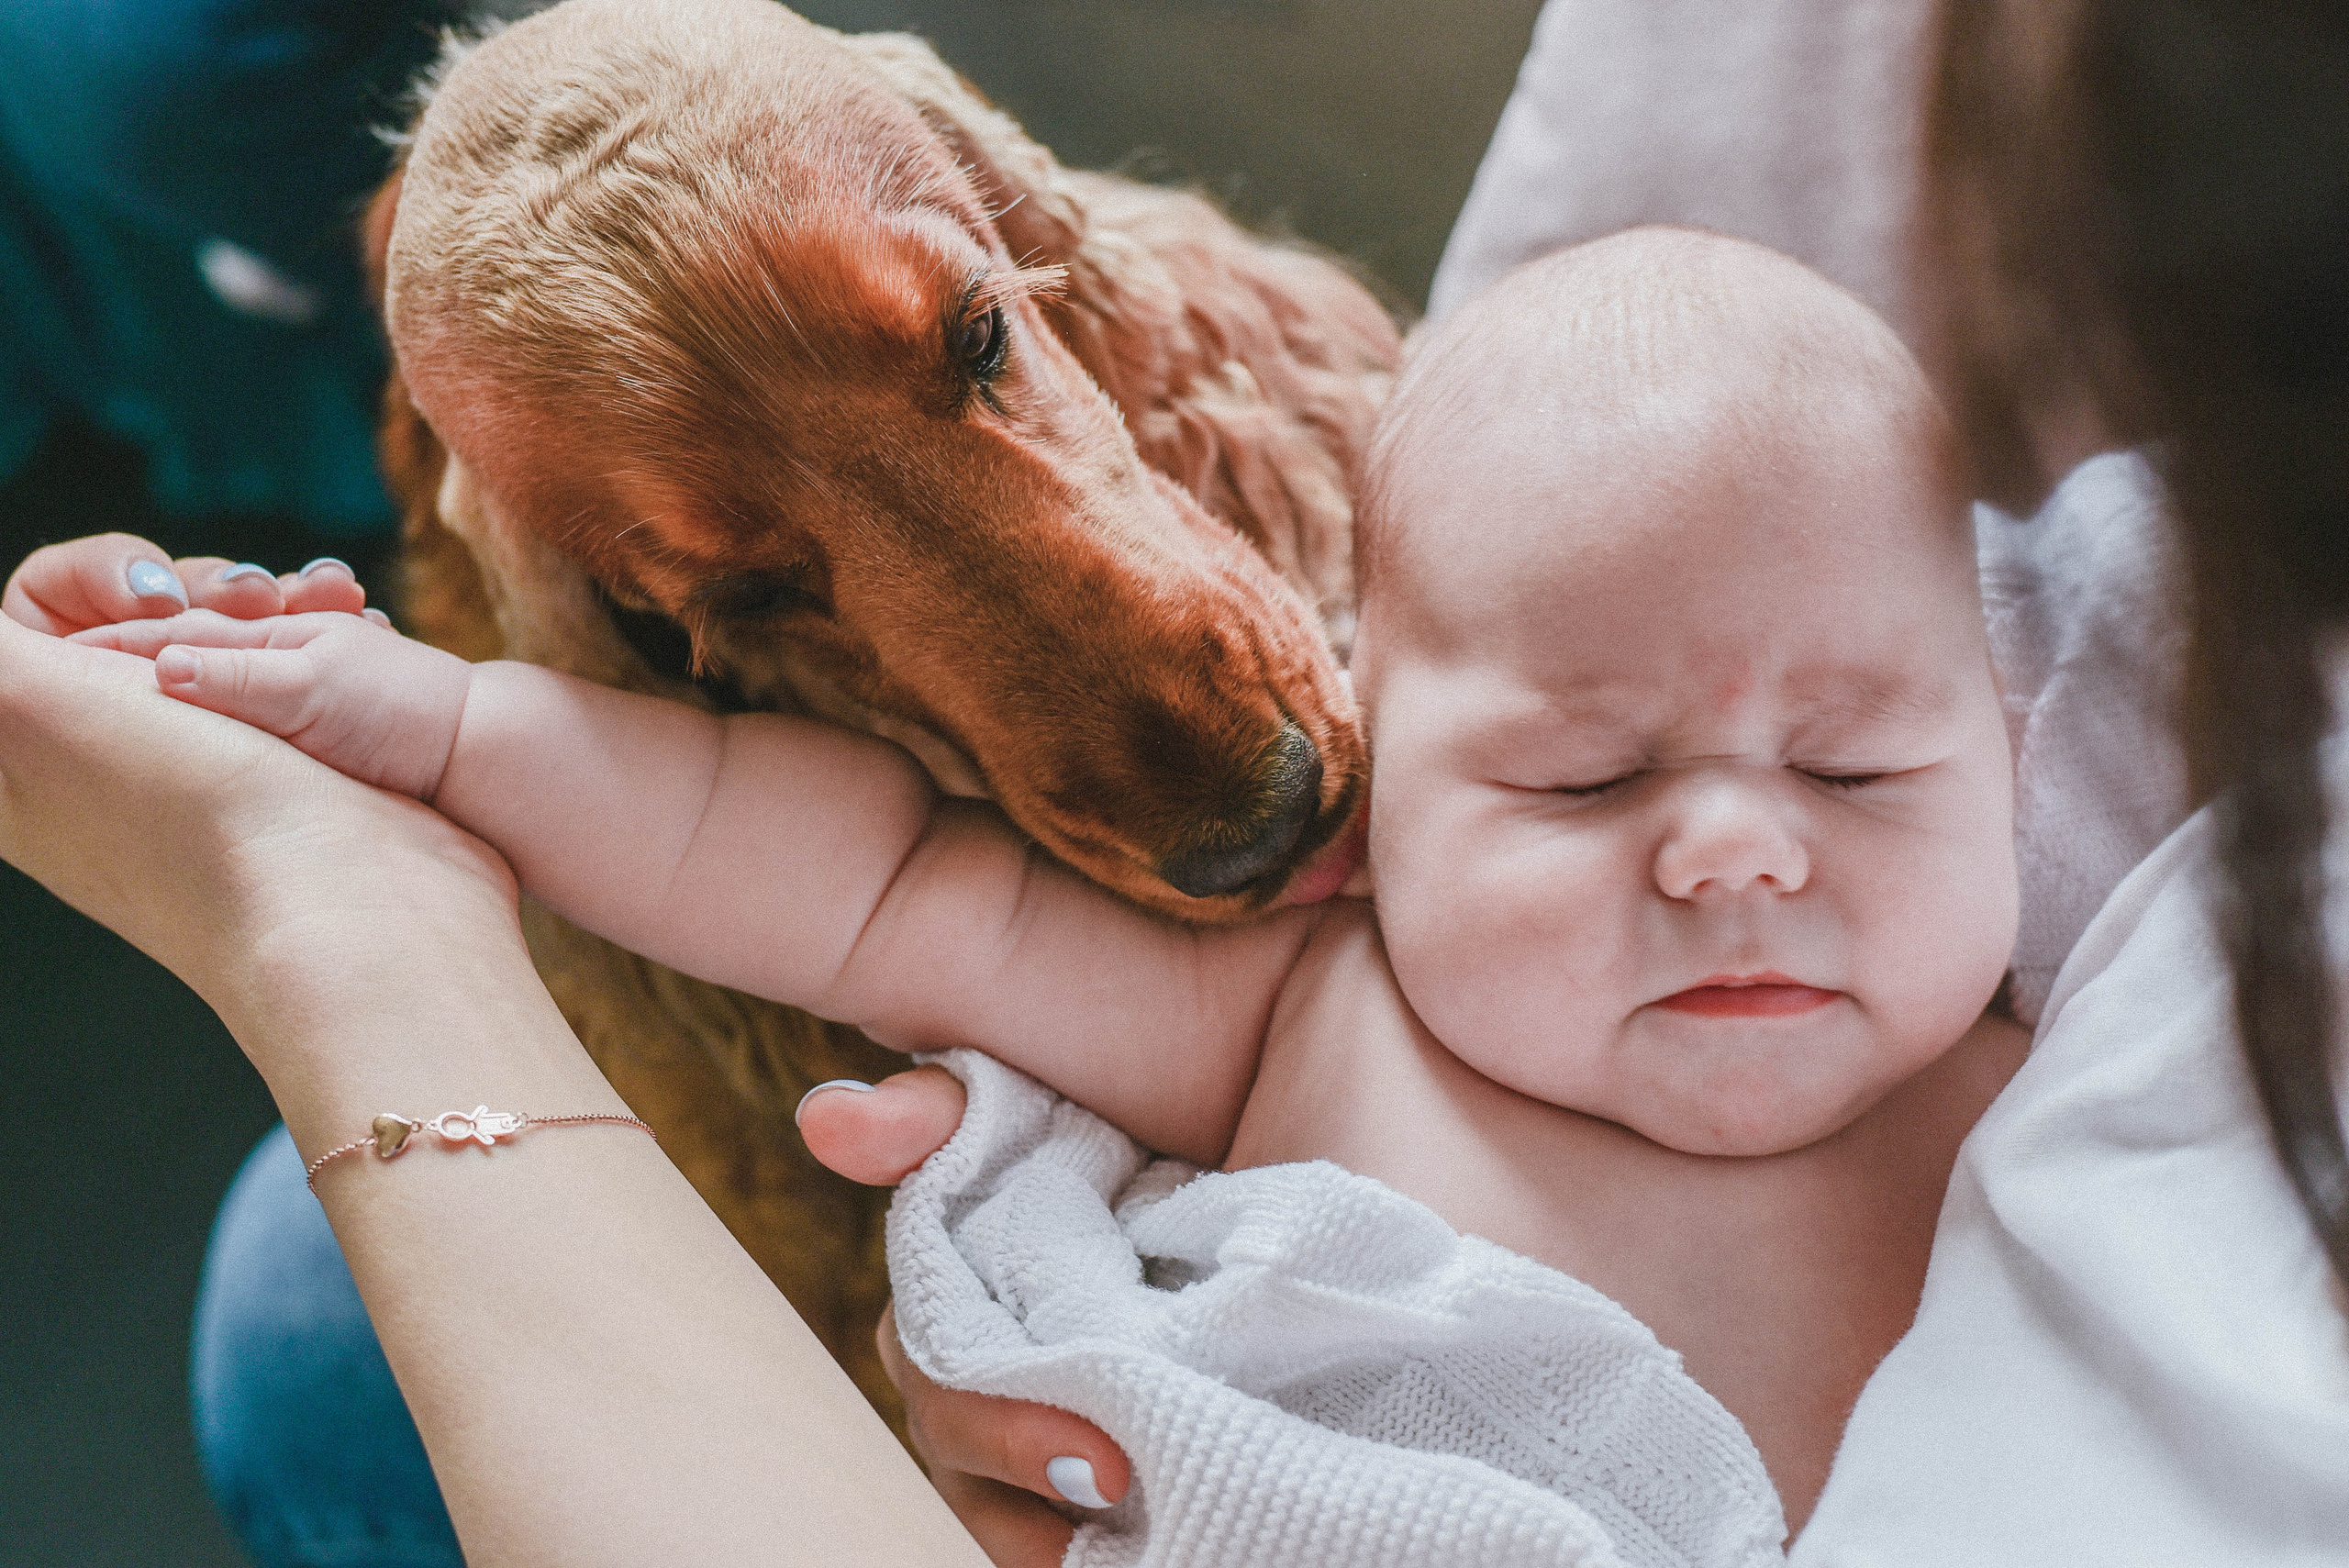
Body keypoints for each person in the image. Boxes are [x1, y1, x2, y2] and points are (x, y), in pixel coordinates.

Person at [0, 2, 2338, 1563]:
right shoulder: (1334, 974)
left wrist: (338, 923)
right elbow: (840, 881)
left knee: (289, 1335)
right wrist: (411, 728)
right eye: (1568, 762)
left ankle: (283, 352)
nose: (1726, 837)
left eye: (1842, 759)